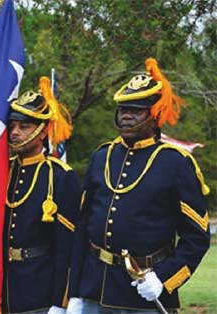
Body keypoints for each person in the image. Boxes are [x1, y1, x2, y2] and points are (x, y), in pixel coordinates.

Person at [67, 58, 211, 313]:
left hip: (144, 289)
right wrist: (75, 292)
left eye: (136, 110)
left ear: (155, 114)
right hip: (95, 288)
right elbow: (82, 228)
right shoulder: (102, 156)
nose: (127, 116)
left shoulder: (176, 162)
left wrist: (164, 279)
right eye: (123, 109)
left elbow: (197, 238)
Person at [0, 77, 81, 314]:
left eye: (24, 127)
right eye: (12, 126)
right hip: (1, 290)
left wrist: (60, 303)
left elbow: (68, 248)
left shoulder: (61, 176)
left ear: (43, 132)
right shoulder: (1, 173)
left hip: (39, 292)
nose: (15, 133)